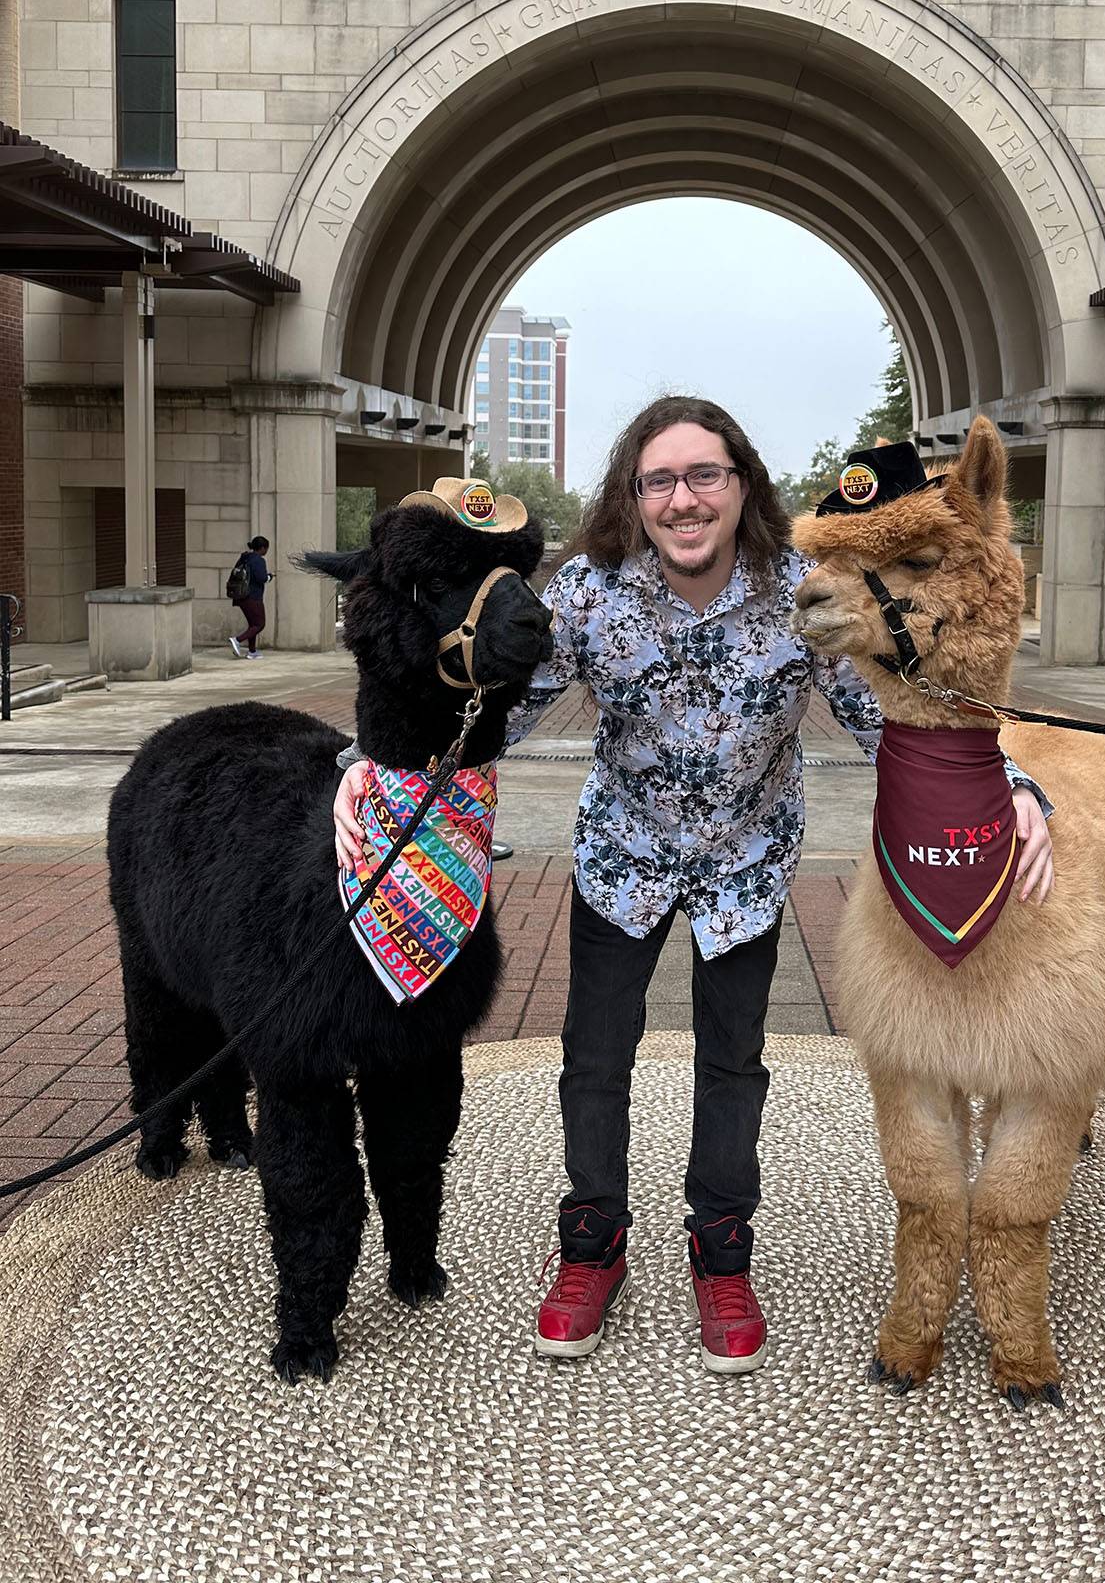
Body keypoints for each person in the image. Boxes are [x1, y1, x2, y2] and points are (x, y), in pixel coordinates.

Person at [333, 398, 1054, 1375]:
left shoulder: (804, 593)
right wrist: (368, 767)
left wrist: (1007, 782)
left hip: (745, 873)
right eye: (660, 479)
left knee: (733, 1065)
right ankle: (592, 1245)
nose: (684, 498)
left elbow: (893, 714)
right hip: (620, 861)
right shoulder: (588, 595)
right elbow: (491, 713)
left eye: (704, 475)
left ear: (739, 484)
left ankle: (722, 1254)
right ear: (635, 495)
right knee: (594, 1061)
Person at [228, 535, 272, 659]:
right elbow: (261, 578)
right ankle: (237, 640)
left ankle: (252, 652)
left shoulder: (244, 557)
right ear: (262, 548)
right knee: (260, 624)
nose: (266, 551)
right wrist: (269, 577)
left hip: (240, 596)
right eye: (266, 548)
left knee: (253, 624)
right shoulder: (258, 560)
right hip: (253, 596)